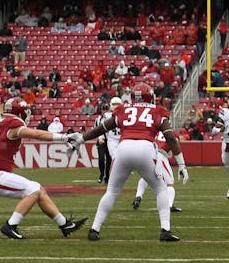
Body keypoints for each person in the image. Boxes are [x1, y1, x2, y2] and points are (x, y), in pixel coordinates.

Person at [74, 87, 188, 242]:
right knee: (161, 189)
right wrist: (181, 164)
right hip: (145, 148)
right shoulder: (157, 110)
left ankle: (95, 229)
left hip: (124, 147)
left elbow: (100, 129)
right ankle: (165, 230)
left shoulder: (124, 109)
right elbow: (171, 138)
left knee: (112, 191)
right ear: (150, 97)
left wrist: (81, 139)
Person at [0, 97, 84, 239]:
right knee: (33, 190)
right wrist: (64, 137)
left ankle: (64, 224)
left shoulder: (3, 123)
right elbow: (37, 134)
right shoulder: (13, 124)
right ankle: (10, 225)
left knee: (39, 189)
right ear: (21, 112)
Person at [97, 96, 122, 184]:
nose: (116, 106)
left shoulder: (125, 114)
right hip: (111, 140)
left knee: (115, 160)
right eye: (114, 104)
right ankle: (111, 178)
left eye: (117, 104)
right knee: (114, 159)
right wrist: (101, 137)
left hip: (121, 140)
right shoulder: (107, 116)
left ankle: (112, 177)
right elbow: (101, 128)